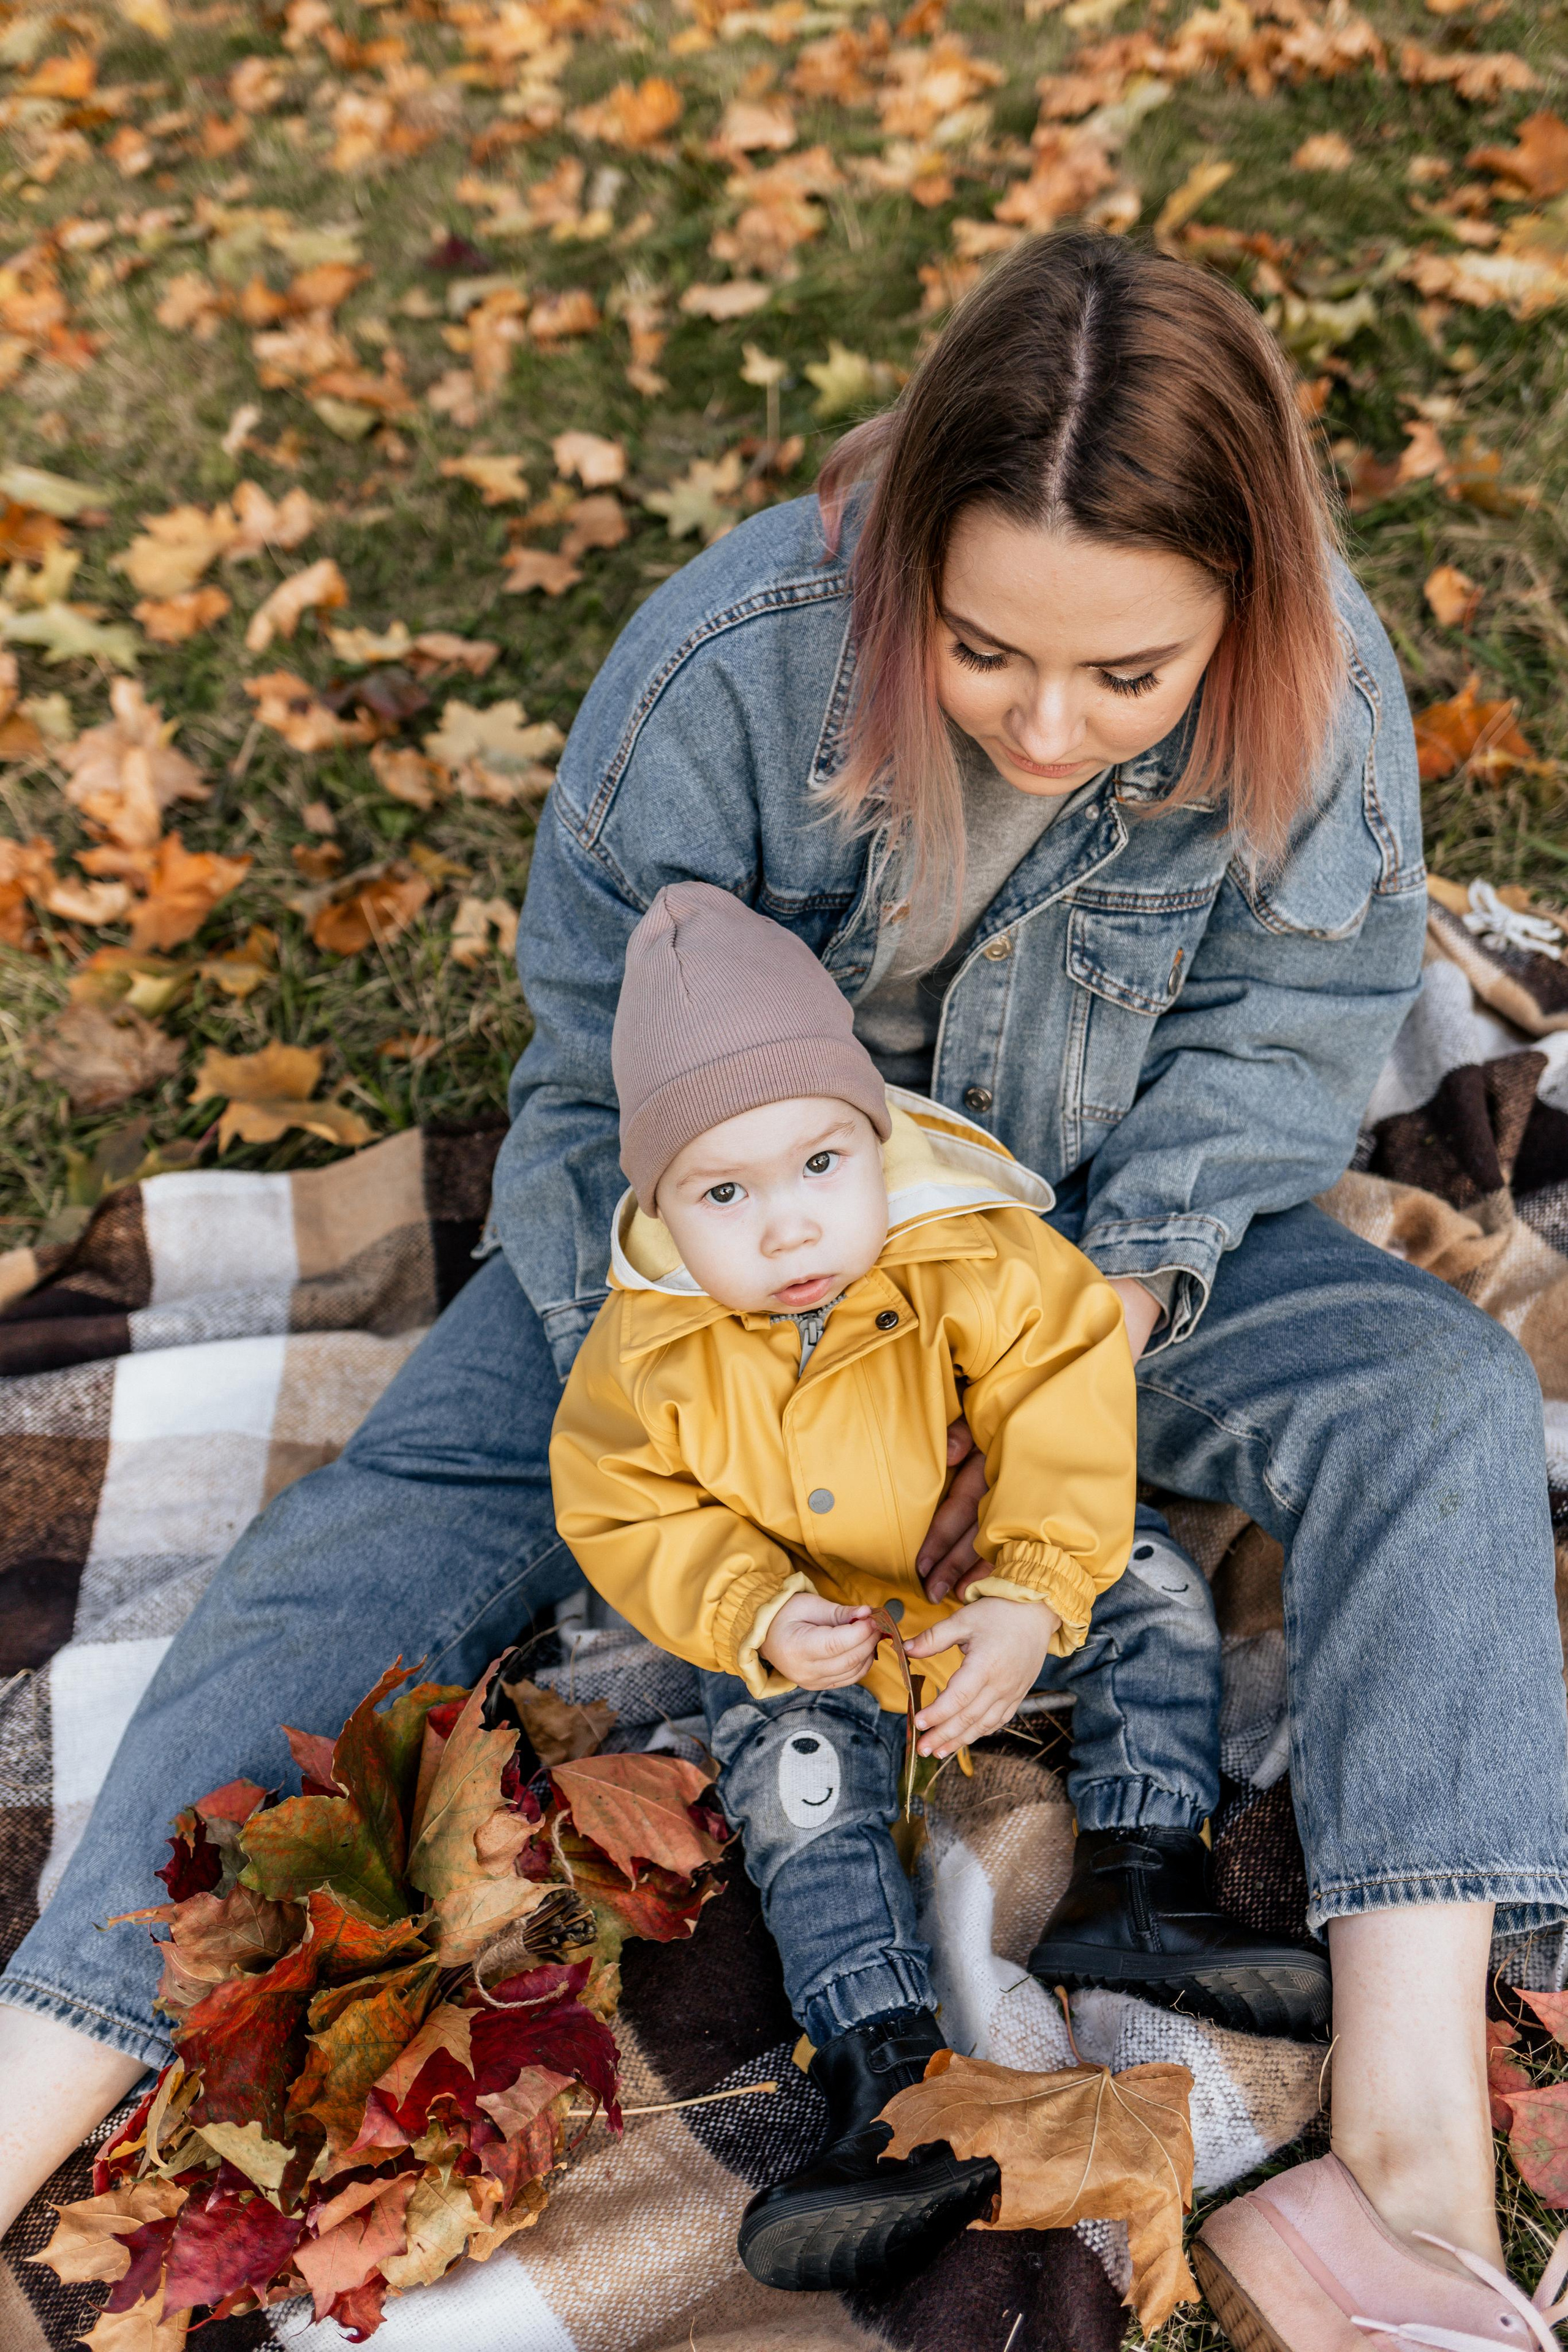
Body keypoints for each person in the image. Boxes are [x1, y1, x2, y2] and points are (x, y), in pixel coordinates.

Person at [2, 230, 1565, 2352]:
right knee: (378, 1536)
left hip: (1068, 1262)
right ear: (904, 549)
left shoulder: (1324, 683)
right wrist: (696, 1419)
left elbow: (1292, 1035)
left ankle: (1399, 2176)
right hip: (724, 1296)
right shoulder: (727, 665)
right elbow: (588, 1076)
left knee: (1443, 1403)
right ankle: (41, 2071)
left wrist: (1102, 1316)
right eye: (988, 647)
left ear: (1247, 607)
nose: (1045, 722)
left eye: (1132, 678)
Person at [551, 874, 1333, 2293]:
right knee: (789, 1777)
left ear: (875, 1141)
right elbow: (621, 1502)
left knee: (1147, 1578)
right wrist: (754, 1613)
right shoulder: (648, 1350)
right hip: (824, 1635)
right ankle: (885, 2069)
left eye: (817, 1168)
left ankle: (1140, 1874)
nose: (786, 1229)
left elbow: (1061, 1388)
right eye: (724, 1194)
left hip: (979, 1579)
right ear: (658, 1206)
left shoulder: (966, 1252)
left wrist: (1032, 1587)